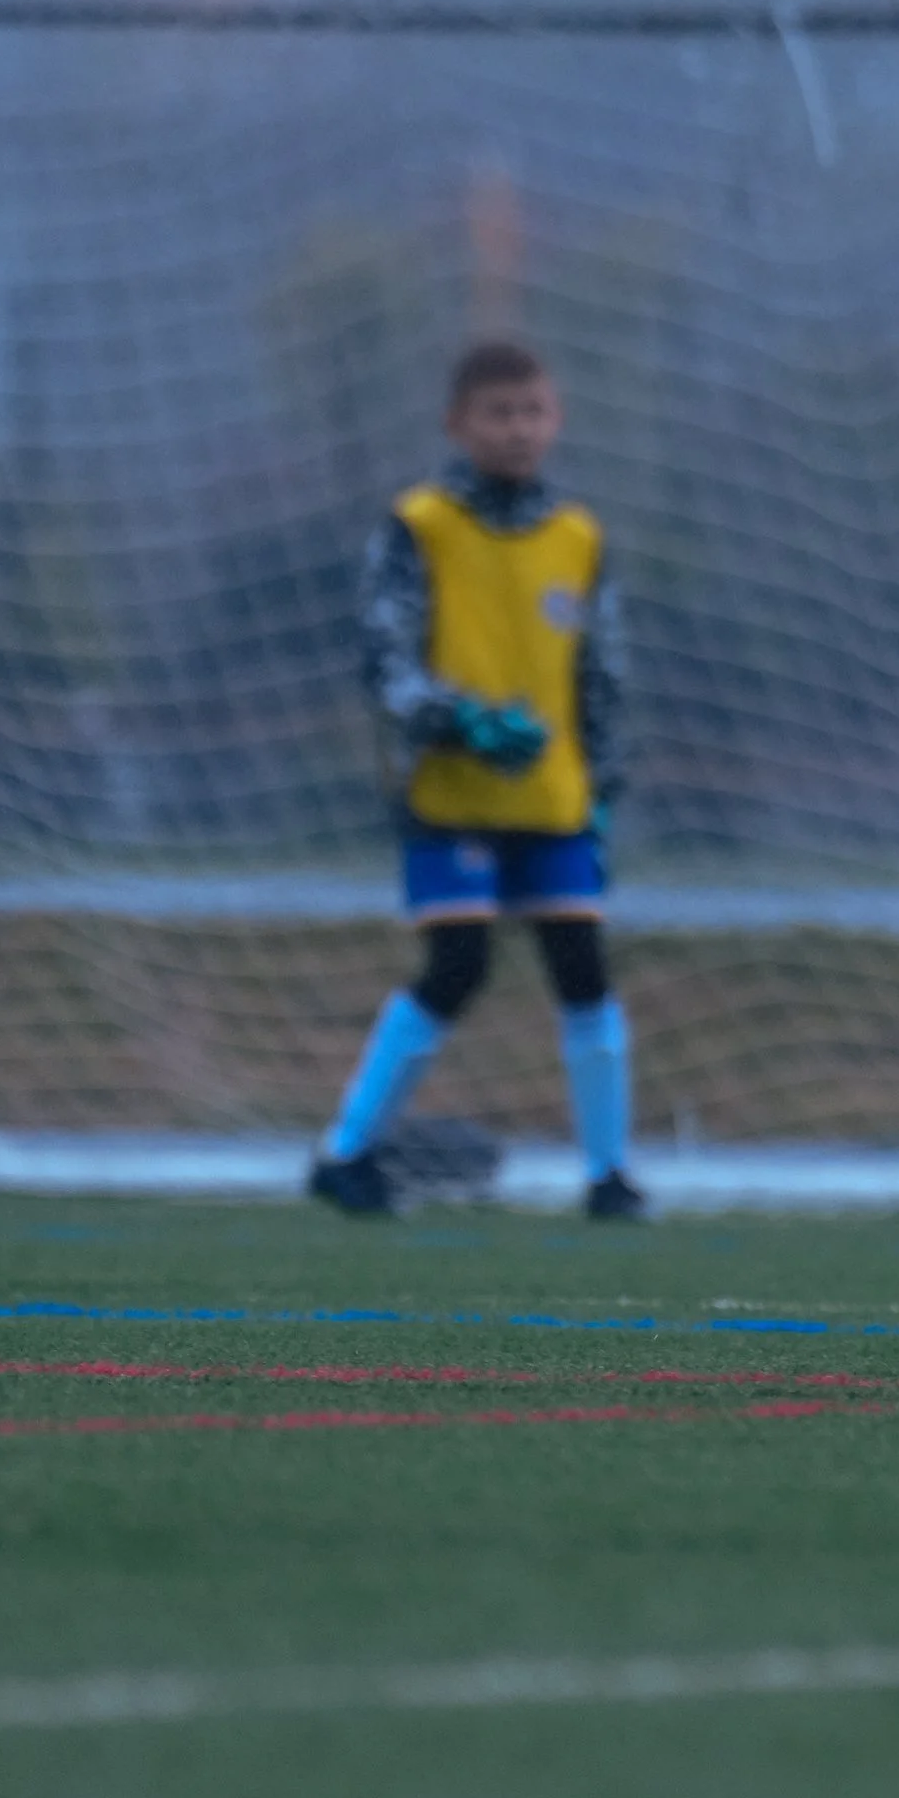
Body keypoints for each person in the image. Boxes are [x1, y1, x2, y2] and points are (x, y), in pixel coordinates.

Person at [309, 339, 645, 1223]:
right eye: (498, 413)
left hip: (554, 800)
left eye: (532, 411)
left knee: (583, 967)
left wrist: (605, 786)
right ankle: (344, 1154)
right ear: (458, 424)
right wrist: (459, 718)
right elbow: (384, 661)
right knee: (457, 965)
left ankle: (610, 1176)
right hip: (450, 794)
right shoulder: (419, 526)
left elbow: (602, 675)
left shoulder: (580, 537)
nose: (517, 429)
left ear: (556, 419)